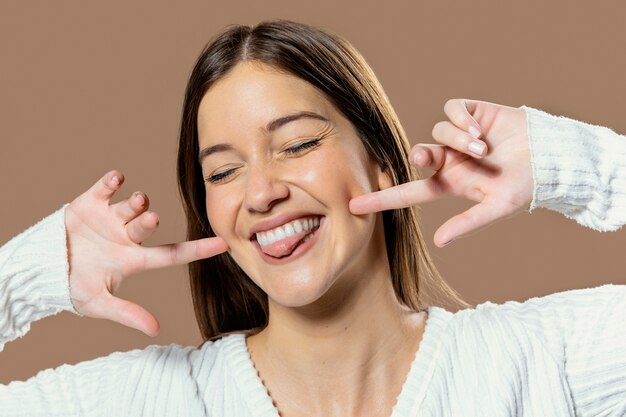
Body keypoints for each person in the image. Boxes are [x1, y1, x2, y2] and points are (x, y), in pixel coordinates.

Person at [0, 19, 624, 417]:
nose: (261, 193)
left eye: (297, 144)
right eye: (222, 172)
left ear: (384, 161)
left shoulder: (539, 362)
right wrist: (30, 277)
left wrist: (571, 164)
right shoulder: (147, 402)